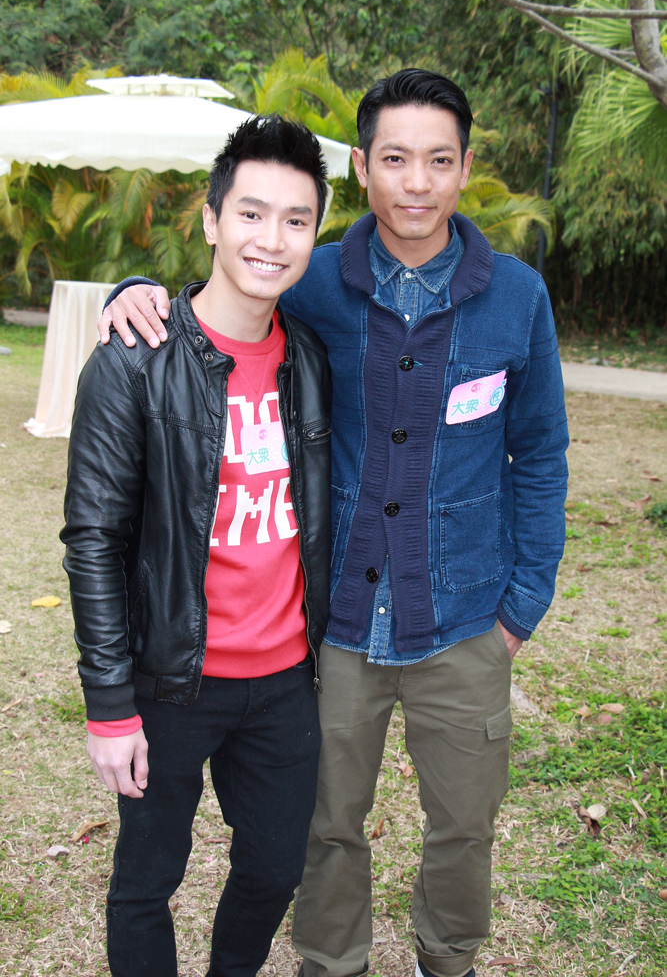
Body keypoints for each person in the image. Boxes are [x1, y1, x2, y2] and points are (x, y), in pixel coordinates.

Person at [100, 69, 569, 977]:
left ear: (465, 166)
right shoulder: (311, 278)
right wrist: (132, 288)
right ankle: (331, 962)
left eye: (438, 160)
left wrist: (522, 603)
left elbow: (540, 455)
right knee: (325, 827)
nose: (416, 183)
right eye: (394, 159)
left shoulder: (516, 297)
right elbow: (219, 300)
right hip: (336, 629)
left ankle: (448, 958)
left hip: (466, 620)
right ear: (361, 166)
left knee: (464, 824)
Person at [61, 114, 332, 977]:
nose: (271, 239)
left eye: (295, 220)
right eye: (250, 214)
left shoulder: (310, 359)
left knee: (275, 869)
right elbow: (93, 539)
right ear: (211, 221)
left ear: (314, 235)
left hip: (285, 680)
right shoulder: (132, 360)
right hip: (171, 679)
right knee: (146, 882)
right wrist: (110, 706)